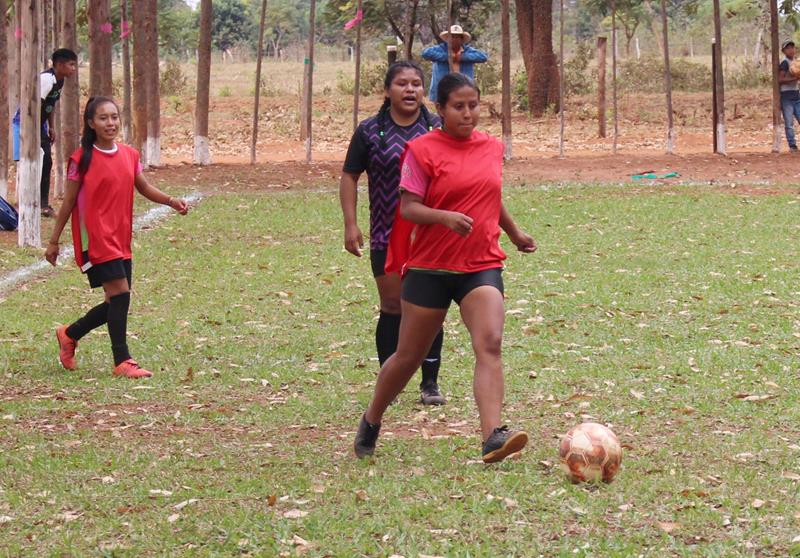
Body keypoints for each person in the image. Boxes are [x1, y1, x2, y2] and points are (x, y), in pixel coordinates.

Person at [353, 73, 537, 464]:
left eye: (474, 105)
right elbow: (409, 208)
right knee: (408, 357)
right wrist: (444, 218)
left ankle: (491, 436)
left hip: (481, 264)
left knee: (489, 344)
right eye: (458, 106)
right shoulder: (422, 150)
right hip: (431, 268)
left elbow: (491, 196)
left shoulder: (491, 147)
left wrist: (516, 233)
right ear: (440, 108)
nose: (468, 114)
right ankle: (372, 418)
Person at [44, 97, 188, 378]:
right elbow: (69, 201)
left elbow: (143, 187)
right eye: (103, 118)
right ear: (91, 123)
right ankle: (122, 361)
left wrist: (171, 201)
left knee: (115, 301)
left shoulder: (129, 155)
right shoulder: (81, 159)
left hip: (121, 237)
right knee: (120, 294)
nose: (110, 123)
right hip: (96, 237)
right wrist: (54, 240)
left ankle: (69, 334)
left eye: (114, 117)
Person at [340, 61, 448, 406]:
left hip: (428, 233)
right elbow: (349, 176)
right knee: (392, 306)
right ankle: (391, 380)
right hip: (386, 233)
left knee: (429, 308)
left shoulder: (438, 127)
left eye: (417, 83)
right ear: (388, 91)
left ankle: (430, 384)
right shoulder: (370, 131)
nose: (411, 89)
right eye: (402, 83)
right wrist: (350, 223)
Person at [13, 48, 78, 217]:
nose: (74, 69)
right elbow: (34, 106)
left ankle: (42, 205)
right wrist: (32, 131)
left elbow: (51, 105)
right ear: (60, 64)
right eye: (71, 65)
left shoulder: (59, 81)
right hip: (26, 124)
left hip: (39, 126)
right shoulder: (46, 80)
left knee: (46, 161)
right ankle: (28, 203)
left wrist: (50, 126)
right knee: (29, 162)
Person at [422, 25, 488, 103]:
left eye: (457, 37)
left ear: (461, 39)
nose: (455, 39)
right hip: (443, 89)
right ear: (448, 38)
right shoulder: (441, 49)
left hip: (463, 88)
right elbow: (426, 53)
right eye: (452, 36)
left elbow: (483, 56)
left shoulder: (467, 50)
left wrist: (462, 57)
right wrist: (447, 57)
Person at [778, 40, 800, 152]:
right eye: (788, 48)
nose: (791, 50)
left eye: (792, 47)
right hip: (786, 95)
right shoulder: (785, 63)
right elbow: (780, 79)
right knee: (789, 122)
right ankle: (792, 146)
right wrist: (794, 79)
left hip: (796, 94)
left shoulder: (796, 62)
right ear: (783, 51)